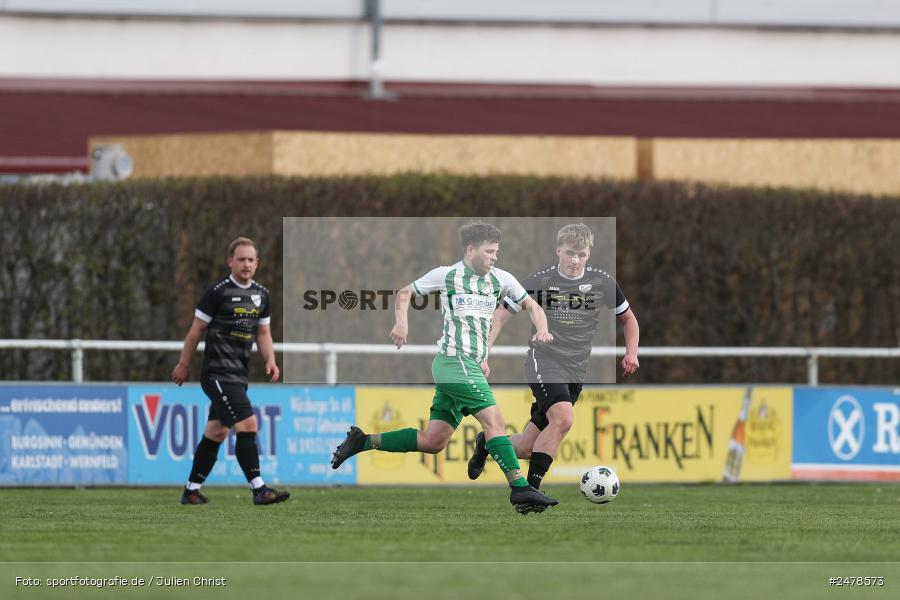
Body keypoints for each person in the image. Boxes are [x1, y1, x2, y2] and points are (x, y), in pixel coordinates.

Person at [331, 221, 560, 514]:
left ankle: (363, 441)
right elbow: (404, 294)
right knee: (495, 422)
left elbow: (533, 306)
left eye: (496, 252)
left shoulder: (501, 279)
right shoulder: (447, 274)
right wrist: (401, 322)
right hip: (454, 362)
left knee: (433, 440)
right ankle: (519, 487)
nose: (494, 257)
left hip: (469, 366)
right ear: (470, 249)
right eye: (489, 251)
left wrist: (542, 329)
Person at [468, 223, 640, 493]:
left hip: (576, 371)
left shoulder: (602, 282)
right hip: (544, 361)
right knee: (563, 418)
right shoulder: (540, 281)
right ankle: (529, 491)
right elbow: (500, 315)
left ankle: (487, 443)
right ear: (558, 250)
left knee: (526, 446)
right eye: (570, 253)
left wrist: (631, 352)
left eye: (581, 255)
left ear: (589, 254)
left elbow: (628, 319)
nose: (575, 260)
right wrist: (484, 353)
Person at [171, 236, 290, 506]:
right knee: (248, 424)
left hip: (239, 374)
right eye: (241, 259)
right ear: (230, 261)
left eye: (251, 260)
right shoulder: (217, 292)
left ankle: (191, 490)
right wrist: (184, 364)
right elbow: (195, 331)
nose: (246, 264)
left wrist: (270, 359)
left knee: (216, 432)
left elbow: (263, 332)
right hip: (217, 374)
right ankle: (259, 489)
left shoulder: (262, 294)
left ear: (257, 263)